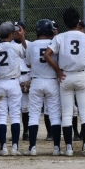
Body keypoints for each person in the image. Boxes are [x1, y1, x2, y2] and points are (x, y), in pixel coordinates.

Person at [44, 7, 85, 157]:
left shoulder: (60, 37)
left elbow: (47, 55)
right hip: (81, 75)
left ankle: (68, 148)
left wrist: (58, 70)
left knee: (67, 114)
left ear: (65, 22)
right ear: (78, 21)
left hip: (65, 76)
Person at [26, 19, 62, 155]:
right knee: (55, 115)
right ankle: (57, 148)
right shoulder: (54, 43)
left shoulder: (32, 45)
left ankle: (32, 148)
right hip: (52, 81)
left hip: (36, 81)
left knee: (34, 115)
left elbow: (28, 63)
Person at [0, 22, 26, 156]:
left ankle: (3, 147)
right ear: (12, 34)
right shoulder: (16, 47)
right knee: (15, 116)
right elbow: (26, 53)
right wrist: (22, 37)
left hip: (0, 83)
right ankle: (14, 147)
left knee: (1, 117)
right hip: (13, 83)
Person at [13, 21, 30, 141]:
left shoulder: (29, 44)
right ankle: (15, 133)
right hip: (13, 77)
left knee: (25, 107)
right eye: (15, 30)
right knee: (14, 106)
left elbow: (29, 54)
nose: (17, 32)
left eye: (19, 29)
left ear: (24, 30)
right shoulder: (9, 44)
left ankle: (26, 132)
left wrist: (22, 37)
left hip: (25, 76)